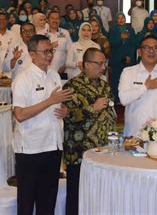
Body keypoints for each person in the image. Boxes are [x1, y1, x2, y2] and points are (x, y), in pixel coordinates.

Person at [12, 34, 74, 215]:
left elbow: (58, 105)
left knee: (48, 199)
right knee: (27, 200)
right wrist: (50, 100)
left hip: (53, 144)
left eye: (51, 51)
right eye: (45, 51)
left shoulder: (54, 75)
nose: (49, 55)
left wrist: (64, 111)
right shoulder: (23, 79)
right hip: (31, 147)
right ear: (32, 54)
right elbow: (20, 115)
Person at [63, 48, 116, 215]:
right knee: (77, 195)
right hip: (80, 151)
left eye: (104, 64)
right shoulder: (72, 86)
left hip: (103, 150)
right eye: (99, 63)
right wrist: (92, 108)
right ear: (86, 64)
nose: (103, 67)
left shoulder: (105, 85)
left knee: (100, 194)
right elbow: (68, 116)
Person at [119, 35, 157, 136]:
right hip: (134, 136)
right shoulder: (128, 72)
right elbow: (123, 99)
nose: (151, 51)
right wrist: (145, 87)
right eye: (147, 47)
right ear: (139, 52)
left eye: (155, 48)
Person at [109, 13, 135, 100]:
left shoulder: (130, 29)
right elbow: (112, 43)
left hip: (128, 58)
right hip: (117, 59)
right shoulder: (113, 30)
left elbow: (133, 45)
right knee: (116, 80)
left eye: (122, 17)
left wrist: (129, 56)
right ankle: (116, 99)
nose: (121, 19)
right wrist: (120, 37)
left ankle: (127, 98)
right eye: (119, 18)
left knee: (128, 80)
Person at [43, 11, 72, 80]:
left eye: (57, 18)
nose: (55, 21)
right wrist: (50, 46)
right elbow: (38, 51)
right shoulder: (41, 33)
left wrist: (65, 66)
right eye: (52, 18)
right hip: (45, 70)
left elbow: (70, 51)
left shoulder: (65, 33)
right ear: (47, 20)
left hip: (61, 70)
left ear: (60, 20)